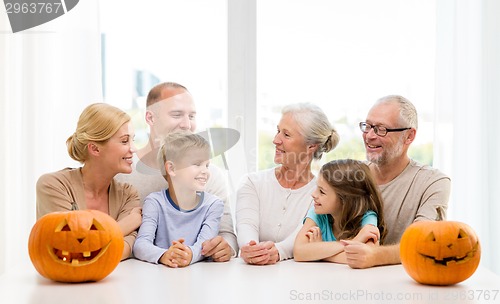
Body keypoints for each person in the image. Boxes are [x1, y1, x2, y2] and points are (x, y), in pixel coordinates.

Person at [115, 82, 237, 262]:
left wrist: (227, 247)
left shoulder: (211, 176)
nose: (187, 124)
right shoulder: (122, 174)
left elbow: (227, 234)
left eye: (192, 116)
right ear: (150, 118)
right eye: (177, 115)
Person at [341, 95, 451, 268]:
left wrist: (375, 256)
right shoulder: (351, 175)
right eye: (367, 126)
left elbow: (423, 243)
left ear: (409, 136)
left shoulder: (433, 182)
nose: (369, 136)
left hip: (407, 286)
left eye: (381, 129)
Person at [236, 103, 339, 265]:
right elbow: (246, 225)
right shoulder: (252, 183)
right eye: (278, 131)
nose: (275, 140)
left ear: (311, 146)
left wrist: (278, 251)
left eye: (286, 135)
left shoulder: (323, 194)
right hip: (252, 276)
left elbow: (301, 235)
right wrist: (251, 249)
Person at [36, 103, 142, 261]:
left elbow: (123, 250)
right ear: (95, 149)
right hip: (61, 285)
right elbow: (67, 252)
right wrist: (128, 223)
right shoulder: (53, 186)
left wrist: (87, 243)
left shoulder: (128, 195)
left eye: (133, 140)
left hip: (112, 283)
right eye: (124, 141)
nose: (133, 149)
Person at [133, 132, 224, 267]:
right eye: (197, 164)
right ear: (172, 168)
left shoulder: (213, 205)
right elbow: (140, 245)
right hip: (161, 276)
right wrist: (164, 255)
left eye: (207, 165)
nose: (205, 171)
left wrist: (189, 255)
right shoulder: (154, 202)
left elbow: (204, 245)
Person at [293, 159, 386, 263]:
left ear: (345, 200)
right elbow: (298, 252)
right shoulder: (318, 213)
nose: (313, 194)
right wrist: (354, 241)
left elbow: (366, 256)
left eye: (322, 192)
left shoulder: (367, 218)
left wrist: (318, 252)